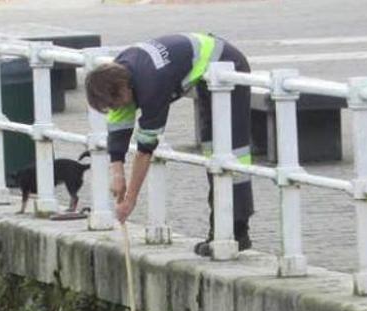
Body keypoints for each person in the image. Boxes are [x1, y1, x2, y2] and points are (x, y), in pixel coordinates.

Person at [85, 33, 254, 256]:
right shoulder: (120, 71)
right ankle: (221, 231)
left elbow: (145, 150)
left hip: (227, 65)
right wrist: (117, 173)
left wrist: (130, 201)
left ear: (124, 88)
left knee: (229, 152)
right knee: (212, 151)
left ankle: (237, 232)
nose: (115, 108)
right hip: (206, 73)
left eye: (114, 103)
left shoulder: (152, 84)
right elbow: (119, 128)